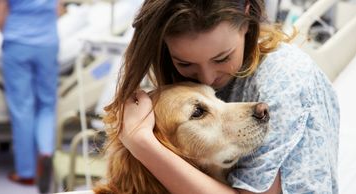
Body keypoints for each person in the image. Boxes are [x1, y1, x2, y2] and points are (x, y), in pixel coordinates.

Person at [106, 0, 340, 193]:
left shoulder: (285, 77)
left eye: (221, 58)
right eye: (184, 63)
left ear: (247, 21)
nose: (206, 79)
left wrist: (141, 143)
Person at [0, 0, 61, 193]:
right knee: (47, 105)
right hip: (48, 42)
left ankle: (26, 172)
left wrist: (12, 32)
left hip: (18, 41)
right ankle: (46, 153)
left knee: (22, 107)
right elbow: (58, 9)